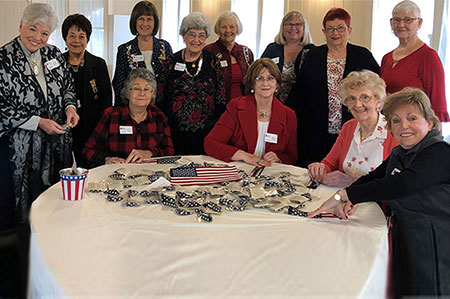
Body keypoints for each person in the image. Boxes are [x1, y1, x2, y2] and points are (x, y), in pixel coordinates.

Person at [309, 88, 450, 297]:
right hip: (405, 235)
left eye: (412, 118)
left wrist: (345, 196)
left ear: (429, 123)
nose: (404, 126)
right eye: (396, 120)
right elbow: (375, 178)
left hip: (434, 241)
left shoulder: (439, 151)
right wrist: (344, 195)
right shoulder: (400, 152)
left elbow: (402, 184)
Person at [0, 3, 79, 224]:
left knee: (53, 201)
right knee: (24, 206)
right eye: (33, 29)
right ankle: (24, 250)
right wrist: (38, 122)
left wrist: (70, 107)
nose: (38, 37)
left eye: (45, 33)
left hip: (54, 145)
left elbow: (68, 88)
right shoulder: (3, 59)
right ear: (21, 25)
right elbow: (2, 108)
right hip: (19, 149)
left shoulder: (53, 53)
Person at [287, 8, 379, 167]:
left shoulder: (363, 56)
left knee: (348, 169)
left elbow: (377, 89)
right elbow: (300, 90)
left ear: (349, 30)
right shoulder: (314, 55)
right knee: (319, 169)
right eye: (330, 28)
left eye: (340, 28)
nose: (335, 32)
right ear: (324, 31)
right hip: (317, 128)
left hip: (354, 126)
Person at [308, 70, 398, 187]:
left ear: (378, 101)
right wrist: (319, 168)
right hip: (343, 198)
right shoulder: (349, 127)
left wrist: (352, 182)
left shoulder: (393, 131)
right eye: (352, 98)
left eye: (364, 97)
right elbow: (330, 164)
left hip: (375, 203)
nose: (358, 104)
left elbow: (395, 184)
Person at [204, 58, 297, 166]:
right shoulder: (236, 107)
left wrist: (278, 158)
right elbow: (210, 143)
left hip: (270, 172)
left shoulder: (289, 115)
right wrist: (243, 155)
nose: (265, 83)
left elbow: (291, 156)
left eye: (270, 78)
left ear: (277, 84)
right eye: (259, 79)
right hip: (239, 168)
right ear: (252, 83)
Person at [156, 12, 226, 155]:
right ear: (183, 36)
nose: (196, 39)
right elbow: (160, 96)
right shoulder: (171, 61)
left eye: (201, 35)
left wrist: (219, 129)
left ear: (206, 38)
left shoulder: (212, 61)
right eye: (192, 34)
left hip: (206, 131)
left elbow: (220, 97)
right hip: (175, 132)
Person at [83, 68, 174, 167]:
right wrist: (106, 159)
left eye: (146, 89)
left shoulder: (159, 116)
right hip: (116, 174)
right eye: (136, 88)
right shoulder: (110, 116)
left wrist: (149, 153)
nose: (142, 93)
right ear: (127, 92)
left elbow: (169, 150)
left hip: (150, 173)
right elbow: (88, 150)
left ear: (152, 93)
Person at [380, 0, 449, 122]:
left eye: (408, 20)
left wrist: (434, 138)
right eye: (396, 20)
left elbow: (437, 104)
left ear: (419, 23)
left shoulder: (428, 56)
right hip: (389, 124)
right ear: (391, 23)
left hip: (415, 129)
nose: (401, 25)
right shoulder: (387, 58)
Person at [62, 14, 112, 168]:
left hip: (92, 128)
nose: (77, 40)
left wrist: (103, 130)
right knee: (63, 166)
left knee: (91, 166)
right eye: (72, 36)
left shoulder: (98, 64)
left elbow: (107, 101)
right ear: (65, 38)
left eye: (81, 36)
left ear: (87, 39)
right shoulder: (57, 63)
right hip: (65, 126)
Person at [112, 1, 172, 105]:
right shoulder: (124, 50)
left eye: (149, 19)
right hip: (133, 108)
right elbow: (118, 85)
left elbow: (171, 80)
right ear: (134, 21)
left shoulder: (165, 47)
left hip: (161, 107)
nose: (145, 24)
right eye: (141, 19)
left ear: (155, 22)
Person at [261, 11, 315, 103]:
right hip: (272, 102)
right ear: (282, 27)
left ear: (304, 28)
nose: (293, 28)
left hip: (303, 105)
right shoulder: (272, 49)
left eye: (298, 24)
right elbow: (259, 72)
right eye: (288, 24)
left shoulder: (311, 51)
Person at [205, 11, 254, 101]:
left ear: (237, 29)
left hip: (243, 104)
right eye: (224, 27)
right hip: (218, 105)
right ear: (218, 29)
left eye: (232, 27)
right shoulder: (209, 51)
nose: (228, 31)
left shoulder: (246, 52)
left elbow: (252, 81)